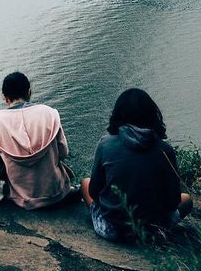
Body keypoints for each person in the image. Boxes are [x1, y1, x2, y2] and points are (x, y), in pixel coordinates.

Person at [81, 88, 193, 241]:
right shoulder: (165, 150)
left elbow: (94, 191)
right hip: (153, 231)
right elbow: (173, 201)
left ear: (118, 115)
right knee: (187, 199)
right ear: (152, 115)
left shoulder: (105, 144)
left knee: (85, 183)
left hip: (112, 230)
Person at [0, 71, 75, 209]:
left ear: (5, 97)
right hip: (57, 192)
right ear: (29, 92)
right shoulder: (49, 113)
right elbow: (63, 152)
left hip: (21, 198)